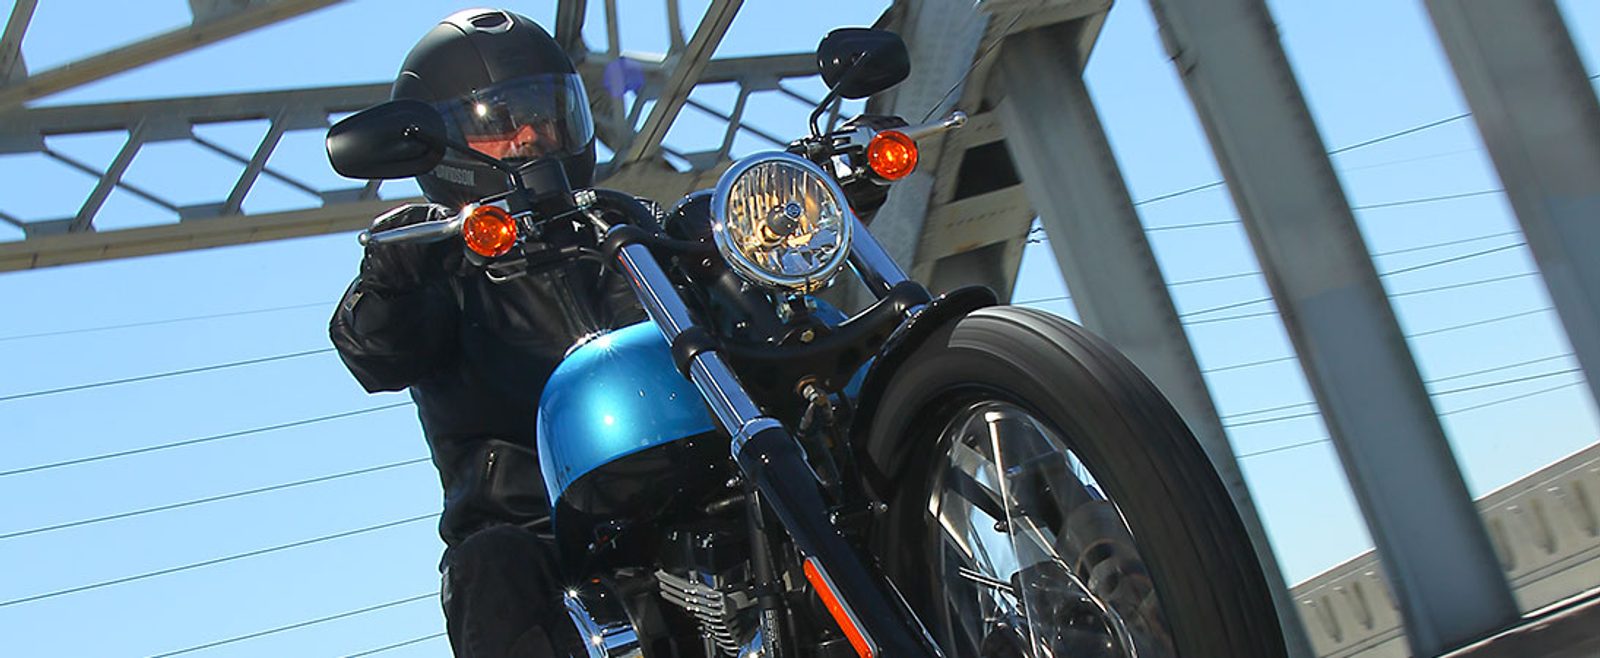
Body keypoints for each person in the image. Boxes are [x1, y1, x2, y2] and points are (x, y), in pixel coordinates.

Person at [328, 9, 643, 657]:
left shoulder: (627, 230)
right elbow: (376, 350)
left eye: (544, 113)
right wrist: (393, 274)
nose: (531, 135)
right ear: (445, 142)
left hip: (678, 495)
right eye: (500, 121)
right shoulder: (440, 263)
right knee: (492, 562)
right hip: (538, 537)